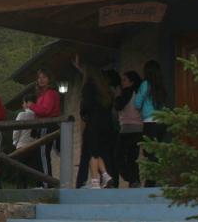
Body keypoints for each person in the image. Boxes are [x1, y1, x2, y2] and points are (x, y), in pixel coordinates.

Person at [72, 55, 113, 188]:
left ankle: (95, 181)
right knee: (98, 152)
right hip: (106, 126)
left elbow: (86, 106)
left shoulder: (88, 87)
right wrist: (79, 68)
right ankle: (106, 175)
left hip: (93, 124)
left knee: (92, 153)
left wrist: (83, 113)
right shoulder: (104, 89)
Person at [23, 68, 62, 185]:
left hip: (48, 126)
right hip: (44, 127)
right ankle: (44, 183)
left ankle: (46, 184)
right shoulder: (42, 95)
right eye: (39, 77)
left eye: (44, 77)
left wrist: (32, 106)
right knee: (40, 155)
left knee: (43, 154)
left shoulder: (50, 93)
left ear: (49, 79)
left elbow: (46, 110)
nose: (41, 80)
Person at [137, 59, 168, 187]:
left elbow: (137, 102)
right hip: (161, 121)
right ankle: (156, 179)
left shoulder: (145, 84)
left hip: (150, 122)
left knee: (149, 153)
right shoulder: (161, 85)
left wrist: (141, 107)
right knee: (156, 151)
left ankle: (151, 182)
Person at [115, 70, 145, 186]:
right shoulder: (138, 93)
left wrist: (117, 95)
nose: (122, 83)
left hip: (127, 129)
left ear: (131, 82)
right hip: (138, 128)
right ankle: (135, 180)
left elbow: (118, 106)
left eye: (124, 80)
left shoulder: (127, 92)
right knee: (133, 158)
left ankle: (130, 178)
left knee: (118, 156)